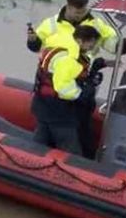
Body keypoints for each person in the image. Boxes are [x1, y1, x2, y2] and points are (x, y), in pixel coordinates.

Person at [32, 25, 103, 157]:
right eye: (91, 44)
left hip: (44, 106)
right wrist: (83, 93)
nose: (92, 48)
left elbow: (77, 72)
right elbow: (63, 87)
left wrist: (93, 71)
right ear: (80, 41)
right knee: (71, 150)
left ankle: (31, 158)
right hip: (58, 112)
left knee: (41, 139)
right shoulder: (66, 58)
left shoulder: (69, 51)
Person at [27, 0, 126, 57]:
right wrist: (33, 41)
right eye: (77, 12)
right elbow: (37, 48)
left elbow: (111, 45)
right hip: (53, 77)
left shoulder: (97, 25)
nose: (80, 15)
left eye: (83, 11)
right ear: (68, 7)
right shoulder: (49, 24)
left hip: (84, 76)